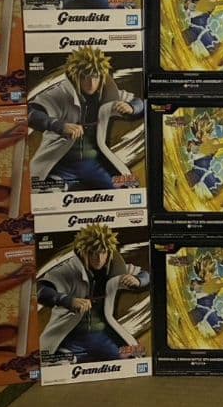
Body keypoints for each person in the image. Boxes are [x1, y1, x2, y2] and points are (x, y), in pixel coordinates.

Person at [29, 46, 144, 192]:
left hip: (94, 164)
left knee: (128, 189)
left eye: (95, 76)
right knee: (46, 192)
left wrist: (132, 107)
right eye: (84, 77)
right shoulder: (60, 94)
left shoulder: (107, 93)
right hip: (60, 166)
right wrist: (59, 125)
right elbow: (31, 113)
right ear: (75, 75)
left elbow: (139, 103)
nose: (91, 83)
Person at [38, 224, 148, 364]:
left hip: (102, 338)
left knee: (134, 358)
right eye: (93, 253)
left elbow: (145, 275)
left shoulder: (114, 268)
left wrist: (138, 280)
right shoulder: (68, 270)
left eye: (103, 252)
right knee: (58, 364)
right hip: (70, 340)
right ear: (83, 252)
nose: (99, 258)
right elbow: (41, 290)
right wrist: (68, 301)